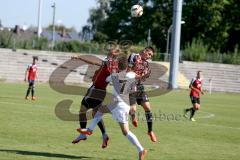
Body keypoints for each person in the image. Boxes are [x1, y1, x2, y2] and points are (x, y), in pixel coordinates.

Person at [79, 60, 148, 160]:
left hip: (119, 106)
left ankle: (141, 150)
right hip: (122, 103)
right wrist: (141, 74)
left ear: (118, 67)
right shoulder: (131, 75)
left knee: (126, 132)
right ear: (127, 67)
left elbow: (105, 79)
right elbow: (137, 76)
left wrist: (111, 69)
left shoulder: (114, 76)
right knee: (100, 110)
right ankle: (89, 129)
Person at [71, 48, 120, 149]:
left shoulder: (109, 62)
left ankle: (83, 133)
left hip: (96, 90)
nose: (110, 49)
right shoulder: (113, 64)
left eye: (114, 50)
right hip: (101, 91)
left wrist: (79, 57)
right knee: (95, 113)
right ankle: (104, 135)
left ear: (114, 54)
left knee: (83, 110)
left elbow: (94, 61)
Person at [128, 46, 157, 142]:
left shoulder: (146, 64)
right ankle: (133, 117)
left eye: (151, 56)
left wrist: (144, 75)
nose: (149, 57)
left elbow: (143, 77)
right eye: (149, 54)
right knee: (133, 109)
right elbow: (128, 70)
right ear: (145, 51)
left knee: (148, 108)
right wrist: (137, 75)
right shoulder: (134, 56)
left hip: (139, 87)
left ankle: (150, 131)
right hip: (130, 85)